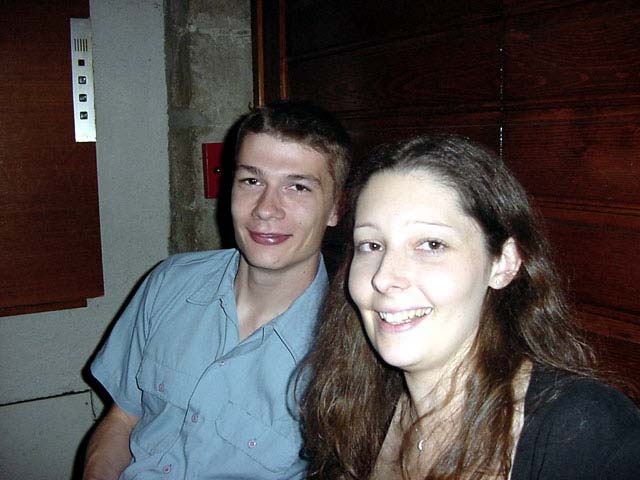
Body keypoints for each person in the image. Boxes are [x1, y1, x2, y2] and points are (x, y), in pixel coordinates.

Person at [300, 135, 640, 479]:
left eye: (431, 244)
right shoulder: (354, 405)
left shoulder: (584, 433)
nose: (384, 277)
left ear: (503, 263)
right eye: (371, 245)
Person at [83, 99, 352, 480]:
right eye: (252, 181)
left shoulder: (347, 349)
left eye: (297, 187)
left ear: (336, 208)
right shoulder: (169, 282)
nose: (266, 209)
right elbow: (123, 419)